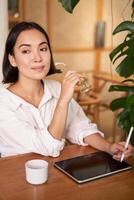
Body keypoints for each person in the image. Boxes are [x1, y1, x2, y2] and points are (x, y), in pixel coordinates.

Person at [0, 21, 133, 159]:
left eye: (43, 49)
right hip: (16, 176)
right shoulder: (3, 103)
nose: (38, 58)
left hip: (55, 171)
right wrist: (62, 102)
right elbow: (48, 146)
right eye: (26, 51)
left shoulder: (56, 89)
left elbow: (80, 127)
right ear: (12, 59)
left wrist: (109, 147)